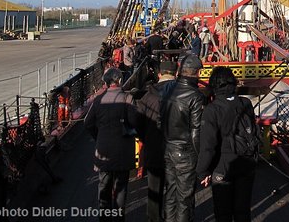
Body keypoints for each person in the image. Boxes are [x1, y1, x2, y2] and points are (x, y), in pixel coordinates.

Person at [197, 67, 257, 222]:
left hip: (222, 166)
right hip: (246, 162)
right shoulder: (246, 103)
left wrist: (202, 171)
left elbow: (208, 145)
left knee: (223, 213)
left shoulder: (212, 109)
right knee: (243, 210)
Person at [85, 68, 137, 221]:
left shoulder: (98, 100)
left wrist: (98, 136)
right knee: (120, 188)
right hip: (123, 150)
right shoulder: (127, 99)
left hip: (103, 149)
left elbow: (87, 124)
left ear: (106, 82)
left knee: (104, 186)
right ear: (119, 81)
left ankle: (104, 217)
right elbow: (134, 122)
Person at [161, 54, 205, 222]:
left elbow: (160, 120)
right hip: (185, 151)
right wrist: (200, 155)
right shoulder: (195, 96)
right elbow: (196, 131)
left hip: (168, 147)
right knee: (185, 198)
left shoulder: (168, 90)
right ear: (195, 73)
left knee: (171, 193)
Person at [136, 61, 177, 222]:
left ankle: (154, 218)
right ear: (176, 73)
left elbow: (138, 123)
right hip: (176, 150)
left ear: (159, 75)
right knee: (174, 190)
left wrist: (146, 138)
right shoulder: (184, 94)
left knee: (154, 189)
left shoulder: (147, 96)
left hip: (153, 148)